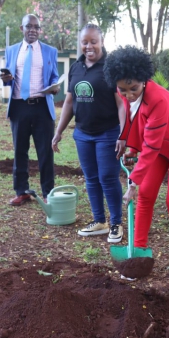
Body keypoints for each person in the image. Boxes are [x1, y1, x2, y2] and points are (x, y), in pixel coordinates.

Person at [103, 46, 169, 280]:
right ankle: (137, 255)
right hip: (157, 143)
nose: (128, 95)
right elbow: (134, 122)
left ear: (144, 80)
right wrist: (129, 144)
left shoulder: (159, 100)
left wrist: (133, 180)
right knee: (146, 195)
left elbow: (153, 146)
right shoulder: (127, 95)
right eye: (123, 90)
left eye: (133, 88)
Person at [52, 24, 125, 243]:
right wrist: (58, 132)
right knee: (91, 178)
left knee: (108, 177)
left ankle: (116, 224)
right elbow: (69, 101)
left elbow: (121, 103)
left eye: (93, 41)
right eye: (85, 42)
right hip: (83, 134)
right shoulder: (76, 67)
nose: (89, 46)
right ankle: (99, 221)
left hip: (107, 133)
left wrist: (124, 134)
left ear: (102, 42)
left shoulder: (111, 67)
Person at [0, 14, 59, 206]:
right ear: (21, 28)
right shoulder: (11, 50)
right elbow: (7, 77)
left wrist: (54, 86)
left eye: (36, 27)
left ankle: (48, 193)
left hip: (42, 106)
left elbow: (54, 77)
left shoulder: (50, 51)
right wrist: (6, 80)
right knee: (20, 150)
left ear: (40, 30)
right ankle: (22, 191)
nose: (33, 30)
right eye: (29, 26)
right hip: (19, 106)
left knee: (45, 152)